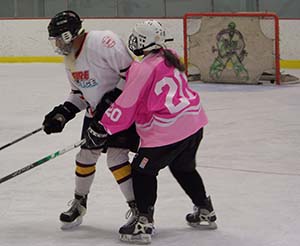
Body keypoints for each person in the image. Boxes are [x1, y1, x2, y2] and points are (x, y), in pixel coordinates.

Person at [84, 20, 217, 244]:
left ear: (143, 41)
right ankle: (205, 209)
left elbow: (128, 103)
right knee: (183, 167)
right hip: (193, 123)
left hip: (168, 131)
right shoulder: (171, 55)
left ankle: (143, 222)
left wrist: (102, 126)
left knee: (142, 171)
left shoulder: (143, 68)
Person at [43, 10, 139, 230]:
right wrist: (62, 114)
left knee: (116, 158)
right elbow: (79, 94)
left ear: (69, 35)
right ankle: (79, 202)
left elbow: (132, 74)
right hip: (97, 113)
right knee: (85, 156)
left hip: (123, 111)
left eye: (58, 37)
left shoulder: (104, 42)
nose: (56, 43)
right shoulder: (70, 60)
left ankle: (138, 209)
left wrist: (111, 100)